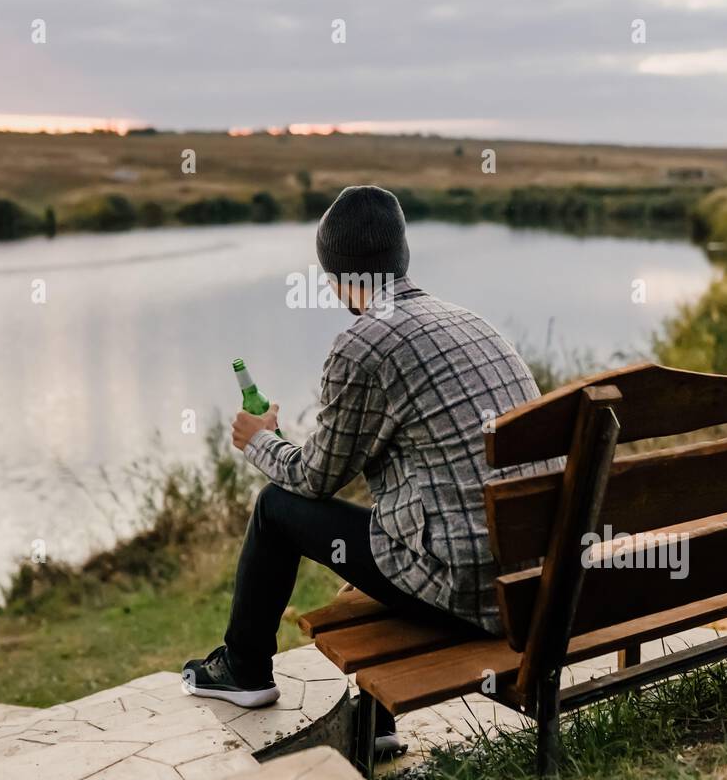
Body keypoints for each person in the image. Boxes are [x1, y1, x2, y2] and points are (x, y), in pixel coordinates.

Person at [183, 184, 549, 751]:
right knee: (383, 523)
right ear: (402, 255)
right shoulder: (475, 325)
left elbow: (313, 480)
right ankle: (375, 725)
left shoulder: (364, 343)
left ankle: (245, 669)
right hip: (535, 582)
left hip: (469, 594)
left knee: (276, 507)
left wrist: (259, 442)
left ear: (333, 276)